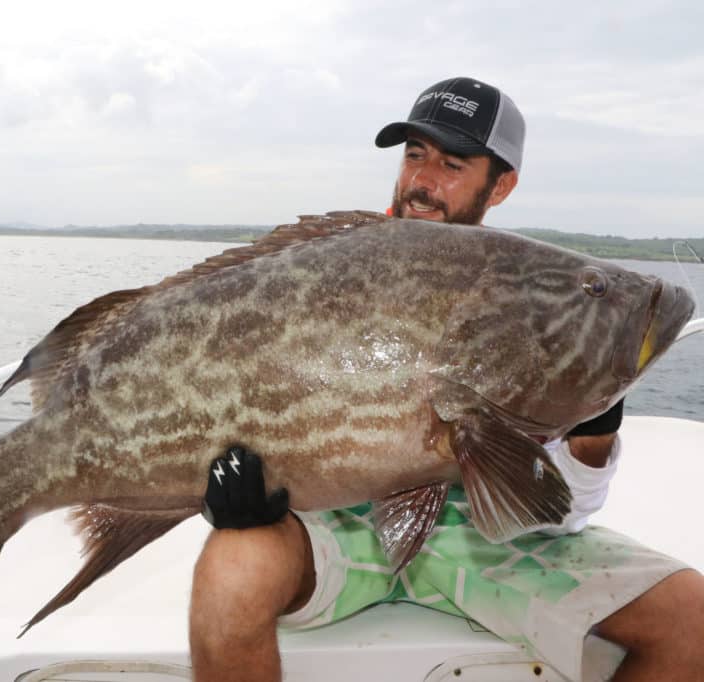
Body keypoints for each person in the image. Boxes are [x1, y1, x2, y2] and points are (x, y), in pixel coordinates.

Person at [188, 77, 704, 682]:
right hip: (339, 522)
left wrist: (595, 426)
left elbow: (556, 519)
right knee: (231, 570)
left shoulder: (533, 299)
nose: (422, 181)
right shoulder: (330, 270)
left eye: (452, 163)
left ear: (502, 184)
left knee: (691, 620)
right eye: (413, 155)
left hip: (479, 537)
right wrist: (229, 482)